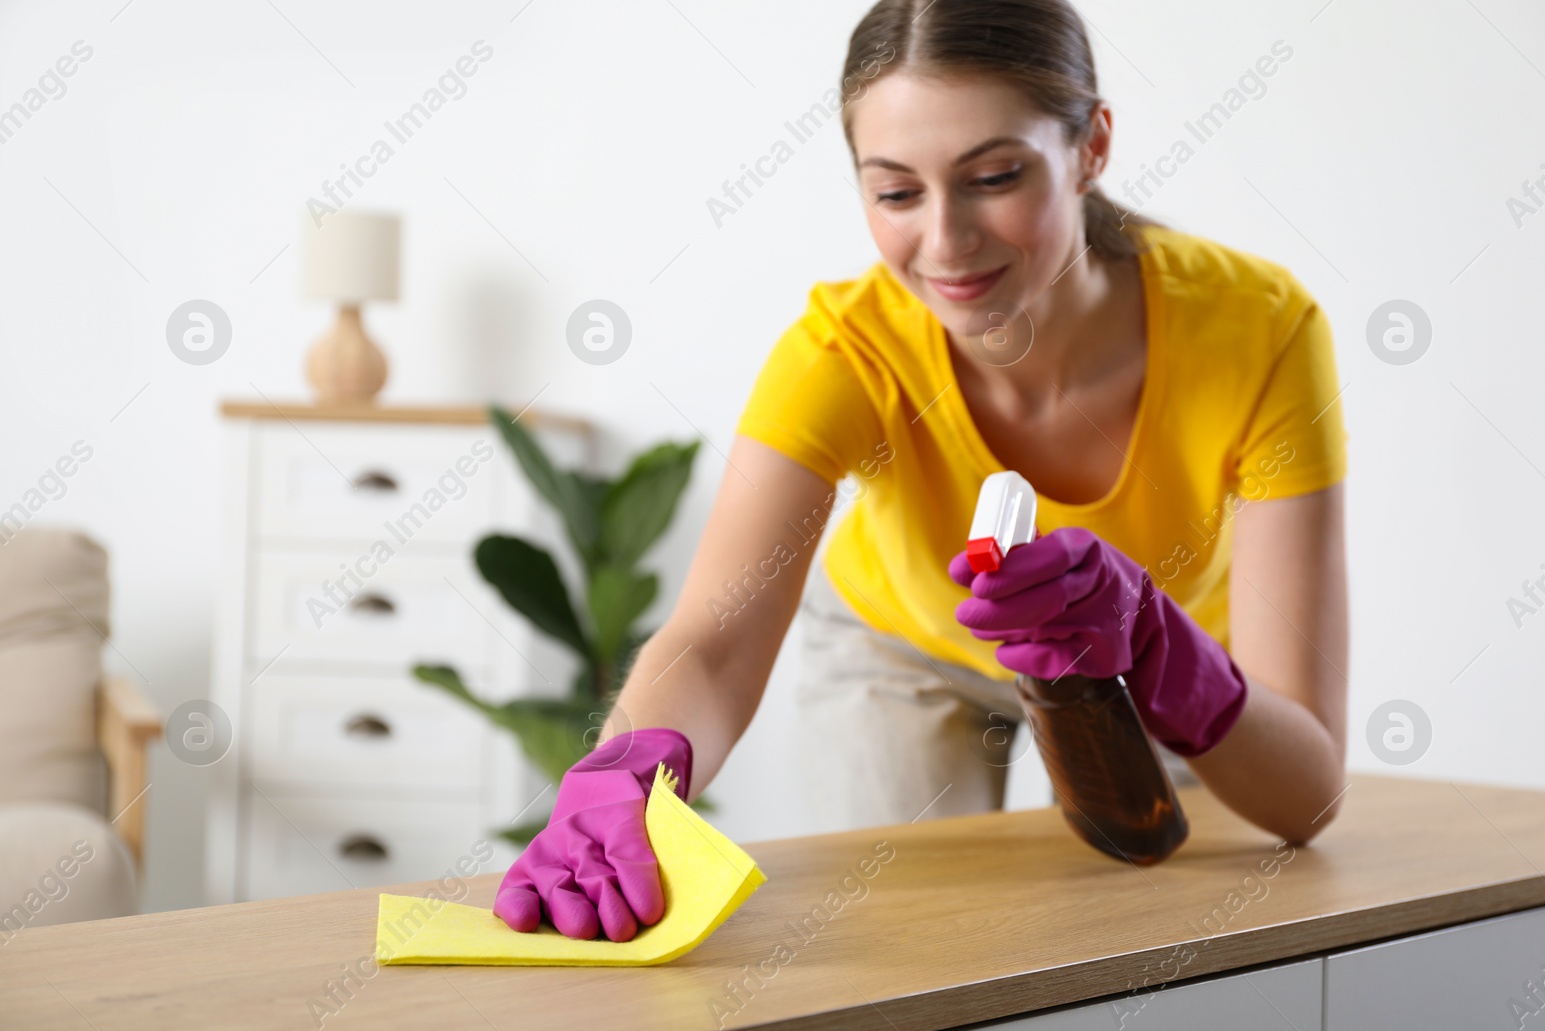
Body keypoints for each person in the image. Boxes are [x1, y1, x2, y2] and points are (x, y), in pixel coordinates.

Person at [493, 0, 1349, 942]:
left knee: (1192, 933)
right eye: (896, 193)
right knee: (913, 945)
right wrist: (630, 767)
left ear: (1092, 145)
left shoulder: (1259, 329)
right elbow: (718, 642)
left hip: (1152, 658)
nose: (945, 242)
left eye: (993, 177)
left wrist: (1152, 641)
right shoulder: (844, 353)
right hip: (897, 650)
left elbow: (1305, 797)